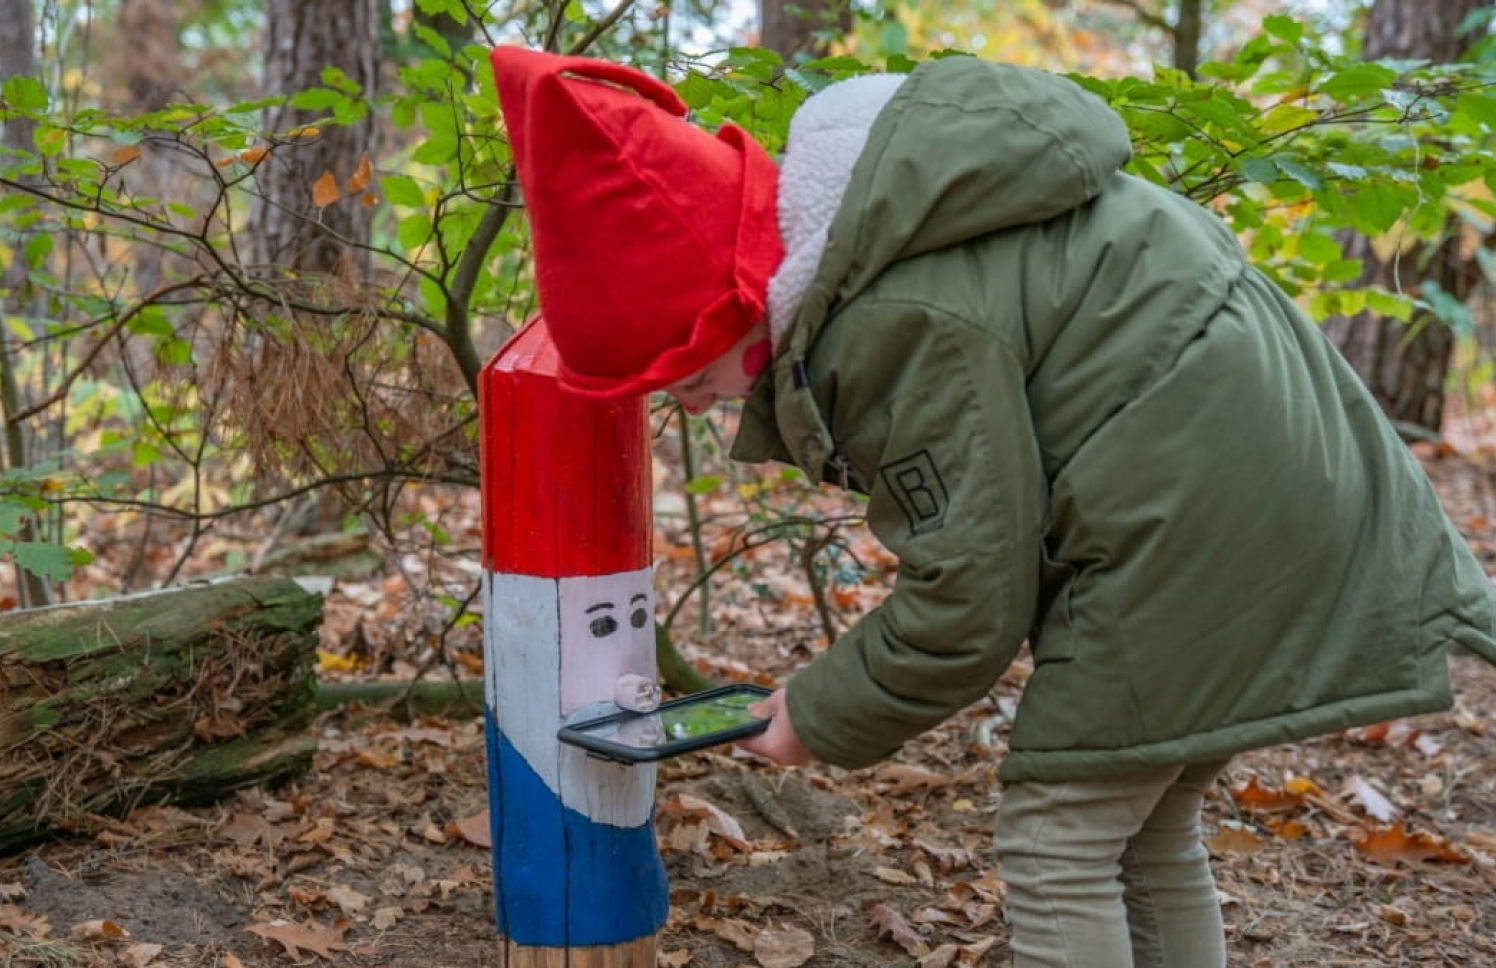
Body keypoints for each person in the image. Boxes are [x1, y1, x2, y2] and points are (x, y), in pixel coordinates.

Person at [488, 46, 1496, 968]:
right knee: (1140, 824)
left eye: (679, 374)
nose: (686, 401)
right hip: (1265, 479)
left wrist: (821, 709)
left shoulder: (890, 317)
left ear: (729, 306)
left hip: (1192, 514)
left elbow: (969, 598)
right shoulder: (893, 231)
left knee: (1058, 830)